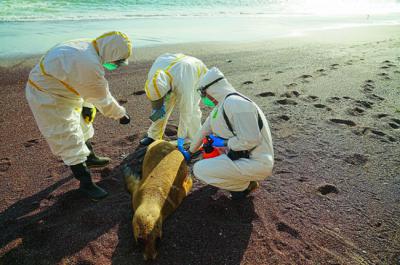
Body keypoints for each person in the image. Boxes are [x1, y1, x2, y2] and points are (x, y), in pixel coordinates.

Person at [25, 31, 132, 201]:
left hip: (67, 89)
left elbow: (83, 84)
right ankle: (86, 182)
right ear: (111, 52)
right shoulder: (88, 63)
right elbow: (101, 97)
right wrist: (121, 115)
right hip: (48, 96)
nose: (116, 65)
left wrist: (87, 105)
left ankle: (89, 157)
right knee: (67, 136)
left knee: (83, 124)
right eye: (117, 62)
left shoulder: (90, 47)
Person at [185, 67, 274, 199]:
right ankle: (241, 180)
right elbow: (204, 129)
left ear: (212, 88)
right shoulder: (221, 106)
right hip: (240, 156)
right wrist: (190, 152)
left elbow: (250, 140)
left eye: (204, 94)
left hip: (257, 162)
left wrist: (225, 142)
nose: (204, 98)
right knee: (209, 155)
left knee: (199, 169)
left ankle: (243, 186)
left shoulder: (237, 104)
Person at [139, 53, 208, 159]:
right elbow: (156, 93)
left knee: (192, 109)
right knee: (163, 107)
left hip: (194, 72)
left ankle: (195, 141)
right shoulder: (154, 76)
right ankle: (153, 136)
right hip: (175, 69)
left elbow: (186, 111)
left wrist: (180, 137)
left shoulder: (184, 84)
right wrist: (158, 105)